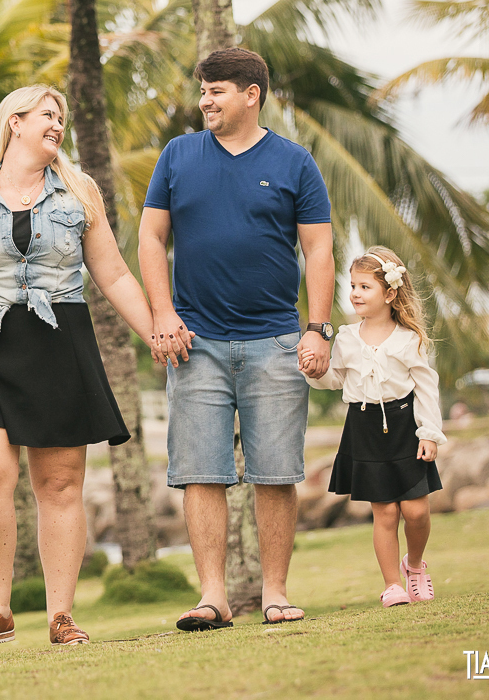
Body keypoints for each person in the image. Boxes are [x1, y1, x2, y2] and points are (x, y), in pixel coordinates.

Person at [0, 85, 161, 647]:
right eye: (48, 115)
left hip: (58, 340)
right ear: (14, 123)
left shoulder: (79, 191)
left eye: (62, 116)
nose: (59, 124)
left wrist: (155, 332)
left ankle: (60, 615)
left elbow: (112, 275)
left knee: (60, 484)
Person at [138, 47, 335, 629]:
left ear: (252, 94)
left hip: (276, 340)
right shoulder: (178, 155)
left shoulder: (296, 162)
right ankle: (213, 598)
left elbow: (318, 248)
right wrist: (163, 314)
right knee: (201, 471)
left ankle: (274, 593)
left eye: (216, 89)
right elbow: (152, 239)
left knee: (276, 472)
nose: (204, 100)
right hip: (194, 343)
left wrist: (318, 329)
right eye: (202, 89)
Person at [304, 246, 445, 607]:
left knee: (416, 511)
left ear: (391, 293)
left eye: (365, 286)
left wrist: (429, 432)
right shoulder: (347, 338)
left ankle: (414, 565)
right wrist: (312, 371)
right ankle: (392, 585)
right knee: (384, 512)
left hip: (405, 427)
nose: (354, 293)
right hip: (363, 427)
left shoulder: (409, 339)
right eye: (352, 285)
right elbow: (334, 378)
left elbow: (427, 388)